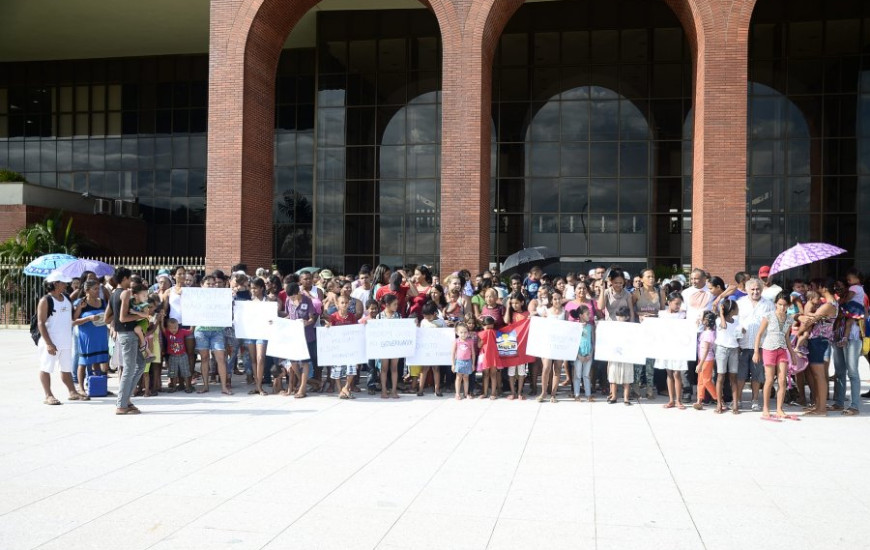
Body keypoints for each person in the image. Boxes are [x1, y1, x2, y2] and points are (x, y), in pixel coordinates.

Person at [36, 272, 87, 405]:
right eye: (63, 282)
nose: (66, 285)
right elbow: (40, 323)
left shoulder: (66, 298)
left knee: (66, 368)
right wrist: (48, 344)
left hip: (65, 341)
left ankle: (72, 392)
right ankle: (48, 395)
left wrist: (79, 309)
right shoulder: (46, 300)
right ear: (55, 283)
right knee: (46, 367)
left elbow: (72, 318)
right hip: (51, 341)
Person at [104, 267, 147, 414]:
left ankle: (126, 399)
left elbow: (107, 318)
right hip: (128, 335)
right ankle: (122, 404)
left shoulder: (113, 294)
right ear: (124, 279)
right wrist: (142, 316)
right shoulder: (125, 293)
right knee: (129, 369)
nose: (131, 282)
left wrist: (118, 322)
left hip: (124, 335)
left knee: (140, 364)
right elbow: (123, 317)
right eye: (129, 279)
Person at [753, 292, 796, 420]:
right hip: (768, 349)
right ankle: (766, 408)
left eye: (785, 305)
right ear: (775, 304)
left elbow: (787, 338)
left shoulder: (789, 319)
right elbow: (759, 334)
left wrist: (792, 354)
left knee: (782, 380)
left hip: (782, 349)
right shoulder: (769, 316)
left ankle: (779, 409)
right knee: (770, 380)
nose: (782, 308)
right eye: (780, 304)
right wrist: (756, 351)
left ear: (788, 305)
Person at [799, 279, 839, 416]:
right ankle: (817, 405)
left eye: (817, 286)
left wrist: (798, 330)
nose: (814, 288)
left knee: (819, 376)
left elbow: (809, 321)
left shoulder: (828, 305)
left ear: (824, 288)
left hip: (818, 340)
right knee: (816, 376)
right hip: (818, 340)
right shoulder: (830, 304)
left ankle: (821, 409)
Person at [736, 279, 774, 412]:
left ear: (762, 289)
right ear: (747, 290)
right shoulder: (740, 303)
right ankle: (738, 400)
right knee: (740, 375)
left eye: (758, 289)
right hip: (742, 345)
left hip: (761, 346)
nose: (755, 291)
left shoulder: (768, 304)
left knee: (757, 375)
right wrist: (739, 331)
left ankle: (755, 400)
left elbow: (772, 324)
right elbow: (735, 321)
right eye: (752, 289)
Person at [72, 279, 109, 396]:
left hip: (100, 336)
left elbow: (109, 316)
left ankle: (97, 386)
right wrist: (89, 318)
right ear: (87, 290)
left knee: (98, 361)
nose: (98, 291)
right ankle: (81, 388)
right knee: (83, 362)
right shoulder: (81, 302)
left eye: (99, 288)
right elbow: (74, 321)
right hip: (87, 337)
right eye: (95, 289)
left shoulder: (102, 302)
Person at [281, 282, 318, 398]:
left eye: (293, 296)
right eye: (289, 296)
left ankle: (302, 388)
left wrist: (306, 322)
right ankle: (305, 382)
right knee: (293, 362)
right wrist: (279, 321)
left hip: (306, 335)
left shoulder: (307, 301)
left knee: (305, 362)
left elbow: (312, 318)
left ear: (298, 293)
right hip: (293, 336)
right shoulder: (288, 301)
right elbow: (289, 316)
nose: (291, 298)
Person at [657, 292, 688, 410]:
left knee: (677, 373)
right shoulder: (662, 314)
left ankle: (678, 400)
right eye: (676, 304)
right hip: (666, 346)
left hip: (678, 347)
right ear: (669, 302)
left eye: (679, 304)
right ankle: (671, 399)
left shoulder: (682, 315)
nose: (678, 306)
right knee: (669, 373)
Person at [325, 295, 359, 399]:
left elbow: (356, 330)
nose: (344, 304)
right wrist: (328, 327)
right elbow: (329, 330)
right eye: (342, 303)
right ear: (338, 304)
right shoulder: (333, 317)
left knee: (352, 368)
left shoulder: (352, 316)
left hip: (349, 347)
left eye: (346, 303)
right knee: (337, 369)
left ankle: (346, 387)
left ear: (349, 304)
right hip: (338, 348)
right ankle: (341, 391)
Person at [714, 299, 740, 414]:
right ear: (732, 310)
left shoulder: (737, 321)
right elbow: (724, 326)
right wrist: (721, 312)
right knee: (720, 376)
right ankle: (719, 403)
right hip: (721, 350)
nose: (738, 310)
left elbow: (739, 334)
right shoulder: (719, 320)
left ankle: (735, 403)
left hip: (734, 349)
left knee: (733, 377)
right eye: (736, 308)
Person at [376, 294, 403, 399]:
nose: (396, 306)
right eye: (394, 304)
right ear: (387, 305)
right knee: (384, 368)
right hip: (384, 346)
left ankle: (394, 390)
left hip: (395, 345)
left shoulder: (398, 316)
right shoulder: (379, 316)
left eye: (397, 304)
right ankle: (383, 390)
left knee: (394, 368)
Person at [606, 305, 634, 405]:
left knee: (627, 376)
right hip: (614, 355)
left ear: (627, 317)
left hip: (627, 356)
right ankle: (614, 396)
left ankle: (626, 398)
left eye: (621, 316)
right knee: (613, 375)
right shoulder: (612, 327)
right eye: (618, 316)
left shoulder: (632, 328)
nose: (619, 318)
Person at [416, 301, 445, 397]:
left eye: (428, 317)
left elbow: (445, 335)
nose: (427, 319)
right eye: (425, 316)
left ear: (434, 313)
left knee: (436, 369)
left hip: (437, 349)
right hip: (427, 349)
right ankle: (420, 389)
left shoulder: (441, 322)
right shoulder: (424, 322)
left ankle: (437, 389)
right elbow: (420, 334)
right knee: (424, 369)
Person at [505, 292, 530, 400]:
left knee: (521, 371)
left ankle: (519, 392)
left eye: (516, 303)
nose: (514, 305)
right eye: (512, 303)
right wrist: (507, 307)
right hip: (511, 344)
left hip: (522, 346)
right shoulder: (510, 314)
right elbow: (506, 321)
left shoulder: (526, 314)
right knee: (511, 371)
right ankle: (513, 392)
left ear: (522, 302)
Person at [693, 311, 719, 411]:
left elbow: (707, 350)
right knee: (700, 380)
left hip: (706, 359)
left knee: (706, 380)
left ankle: (718, 399)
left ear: (706, 321)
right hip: (702, 358)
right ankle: (699, 400)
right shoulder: (708, 331)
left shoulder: (708, 334)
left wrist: (700, 364)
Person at [570, 305, 594, 402]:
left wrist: (591, 354)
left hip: (588, 354)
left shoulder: (590, 327)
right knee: (577, 375)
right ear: (581, 315)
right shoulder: (575, 327)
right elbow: (573, 342)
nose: (590, 315)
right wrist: (578, 355)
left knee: (587, 375)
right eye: (587, 313)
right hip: (578, 355)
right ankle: (577, 395)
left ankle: (588, 395)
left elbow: (593, 341)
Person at [477, 316, 501, 399]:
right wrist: (484, 337)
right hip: (485, 355)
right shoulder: (481, 334)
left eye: (491, 326)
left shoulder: (496, 333)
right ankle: (485, 393)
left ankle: (493, 393)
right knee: (485, 374)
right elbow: (479, 345)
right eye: (488, 326)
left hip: (493, 355)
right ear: (483, 326)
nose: (490, 329)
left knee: (493, 374)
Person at [452, 322, 475, 400]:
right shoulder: (456, 341)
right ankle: (457, 394)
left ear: (468, 332)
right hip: (459, 361)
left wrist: (473, 364)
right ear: (457, 333)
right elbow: (453, 353)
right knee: (458, 377)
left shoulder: (470, 341)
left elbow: (473, 353)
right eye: (461, 332)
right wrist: (453, 364)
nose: (463, 334)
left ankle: (466, 394)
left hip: (468, 361)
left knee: (466, 378)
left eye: (465, 332)